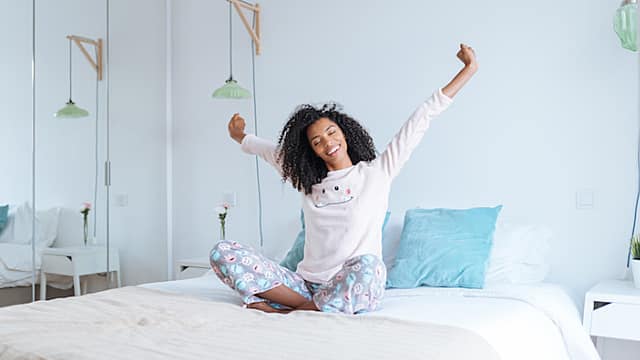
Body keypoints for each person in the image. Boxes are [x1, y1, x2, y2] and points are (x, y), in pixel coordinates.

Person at [210, 43, 478, 314]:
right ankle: (311, 307)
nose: (328, 143)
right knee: (223, 251)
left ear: (345, 131)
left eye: (331, 132)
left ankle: (287, 310)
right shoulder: (307, 181)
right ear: (311, 150)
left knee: (370, 266)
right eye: (317, 141)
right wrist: (239, 136)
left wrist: (468, 70)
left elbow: (422, 117)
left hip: (353, 282)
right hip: (304, 285)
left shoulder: (378, 172)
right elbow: (267, 151)